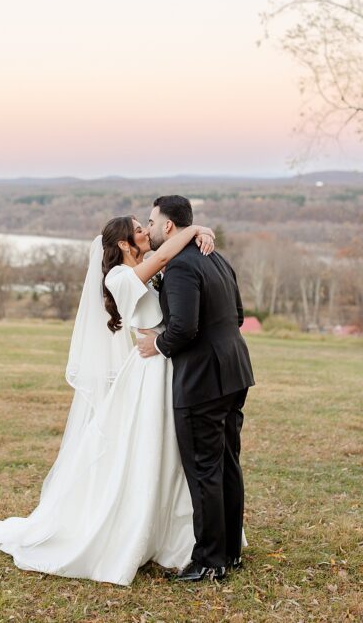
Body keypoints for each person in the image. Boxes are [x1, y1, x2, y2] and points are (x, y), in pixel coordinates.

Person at [0, 215, 219, 585]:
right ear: (122, 244)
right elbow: (163, 258)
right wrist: (195, 230)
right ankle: (139, 530)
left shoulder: (145, 273)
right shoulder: (119, 277)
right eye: (137, 230)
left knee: (170, 450)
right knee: (149, 448)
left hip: (166, 365)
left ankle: (178, 533)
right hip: (151, 371)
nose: (144, 232)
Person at [137, 195, 254, 581]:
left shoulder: (181, 267)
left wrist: (156, 344)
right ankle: (230, 553)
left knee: (204, 470)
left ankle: (209, 561)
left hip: (202, 379)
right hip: (235, 369)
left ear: (168, 226)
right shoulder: (215, 258)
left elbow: (183, 328)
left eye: (152, 222)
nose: (150, 228)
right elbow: (237, 315)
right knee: (226, 464)